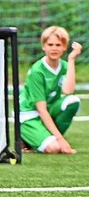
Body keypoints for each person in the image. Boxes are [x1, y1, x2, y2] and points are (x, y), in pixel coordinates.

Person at [19, 26, 82, 154]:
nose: (54, 48)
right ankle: (25, 137)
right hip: (30, 114)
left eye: (58, 45)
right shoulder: (37, 71)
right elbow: (41, 110)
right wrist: (61, 140)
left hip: (49, 109)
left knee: (73, 101)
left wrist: (71, 60)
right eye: (50, 44)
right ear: (44, 46)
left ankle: (47, 137)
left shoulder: (64, 66)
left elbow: (68, 92)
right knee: (54, 148)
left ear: (64, 47)